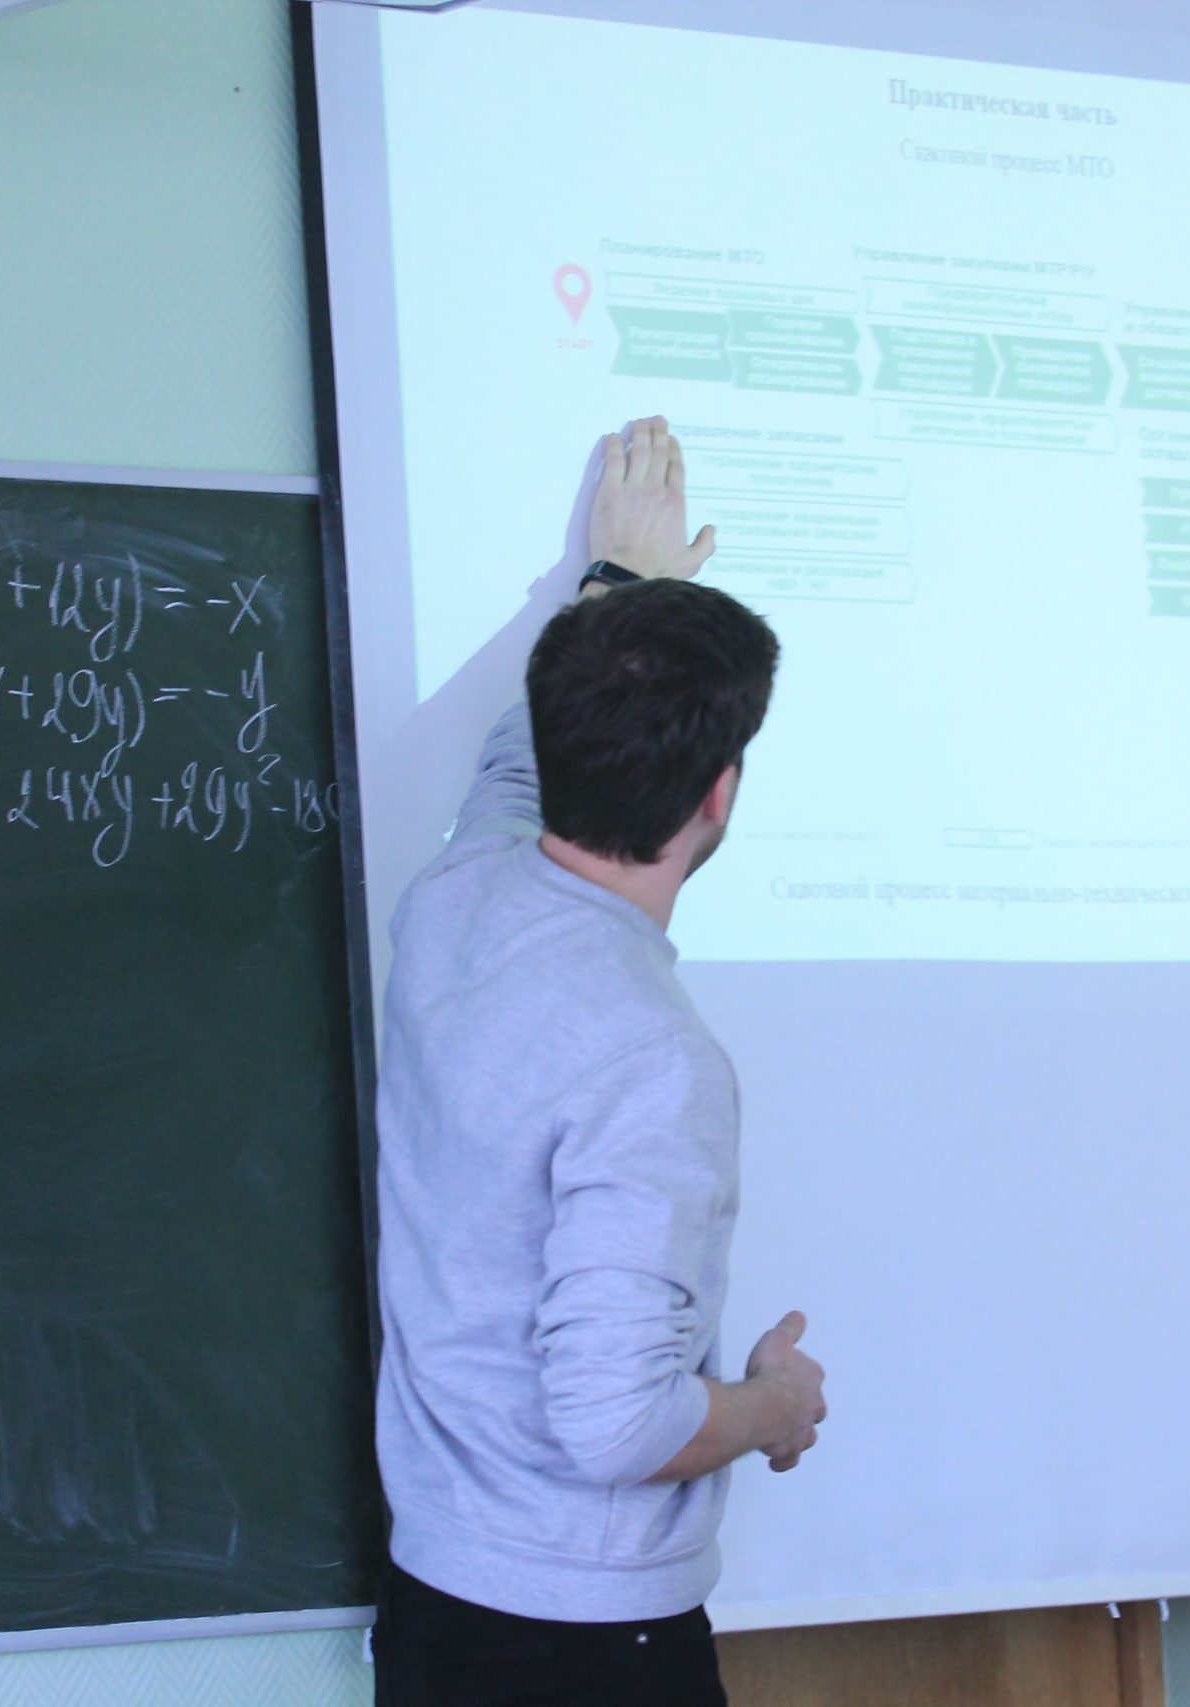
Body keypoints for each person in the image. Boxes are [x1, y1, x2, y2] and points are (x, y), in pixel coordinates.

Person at [372, 417, 828, 1706]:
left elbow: (520, 769)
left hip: (436, 1604)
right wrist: (772, 1408)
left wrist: (617, 585)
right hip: (584, 1644)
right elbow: (617, 1425)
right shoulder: (654, 1061)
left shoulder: (455, 900)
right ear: (719, 794)